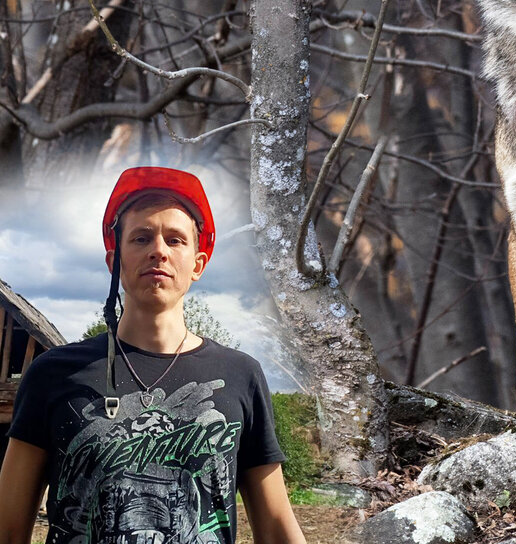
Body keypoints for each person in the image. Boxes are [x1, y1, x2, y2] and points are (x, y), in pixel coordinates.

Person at [0, 167, 307, 544]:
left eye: (176, 240)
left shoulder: (240, 375)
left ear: (198, 263)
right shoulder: (53, 374)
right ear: (114, 260)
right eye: (141, 237)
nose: (158, 250)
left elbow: (276, 527)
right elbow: (8, 528)